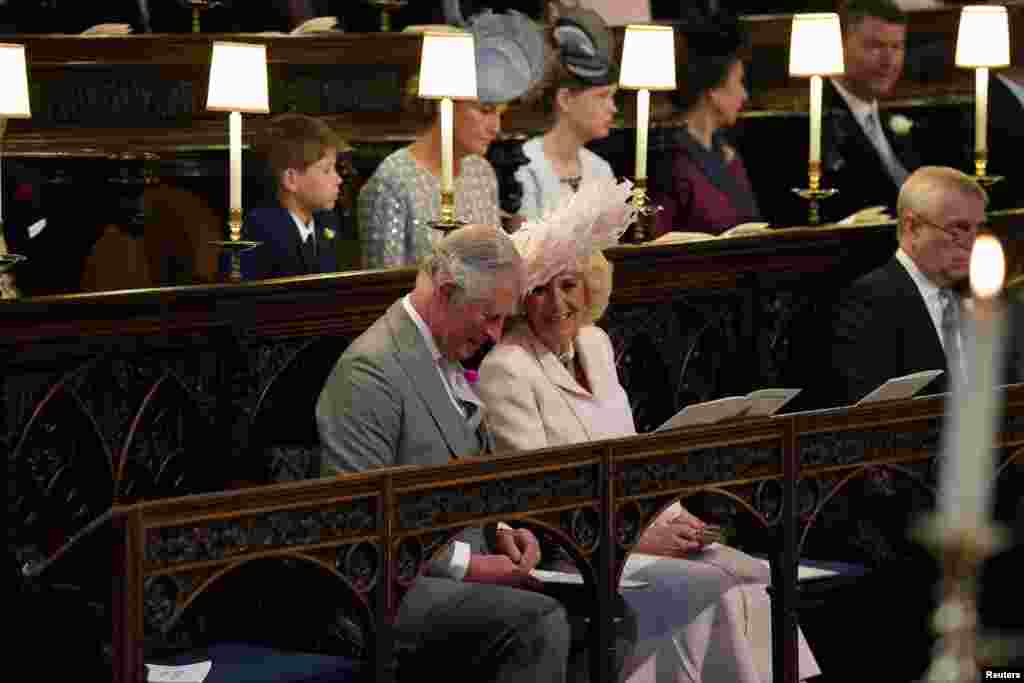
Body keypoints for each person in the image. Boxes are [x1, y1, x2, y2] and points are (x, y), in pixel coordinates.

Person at [477, 176, 820, 683]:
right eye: (539, 292)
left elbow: (633, 455)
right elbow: (539, 494)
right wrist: (640, 535)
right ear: (520, 301)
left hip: (638, 534)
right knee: (712, 591)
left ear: (589, 287)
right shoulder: (506, 366)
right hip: (581, 552)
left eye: (568, 285)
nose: (556, 304)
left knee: (755, 576)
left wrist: (674, 519)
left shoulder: (594, 344)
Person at [316, 223, 605, 682]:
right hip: (388, 589)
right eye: (488, 317)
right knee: (537, 621)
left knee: (604, 605)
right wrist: (470, 564)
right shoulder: (369, 371)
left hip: (453, 573)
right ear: (447, 291)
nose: (494, 335)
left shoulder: (450, 350)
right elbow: (357, 521)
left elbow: (475, 471)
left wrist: (504, 528)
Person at [358, 10, 544, 269]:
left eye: (501, 114)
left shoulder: (481, 173)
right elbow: (381, 286)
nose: (496, 128)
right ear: (445, 105)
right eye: (485, 111)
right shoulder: (393, 181)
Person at [825, 166, 990, 407]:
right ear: (913, 228)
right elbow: (870, 418)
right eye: (959, 230)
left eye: (980, 229)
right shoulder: (868, 303)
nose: (973, 244)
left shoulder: (982, 297)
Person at [647, 15, 762, 237]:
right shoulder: (671, 159)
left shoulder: (729, 157)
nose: (744, 95)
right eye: (738, 82)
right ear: (713, 90)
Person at [816, 0, 922, 224]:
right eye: (875, 46)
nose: (888, 61)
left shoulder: (904, 119)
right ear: (840, 45)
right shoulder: (815, 120)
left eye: (896, 47)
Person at [515, 4, 617, 221]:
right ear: (566, 99)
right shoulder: (525, 166)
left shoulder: (600, 169)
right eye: (602, 96)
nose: (613, 107)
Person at [236, 114, 343, 280]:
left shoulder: (326, 221)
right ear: (291, 179)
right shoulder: (261, 232)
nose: (338, 179)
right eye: (327, 170)